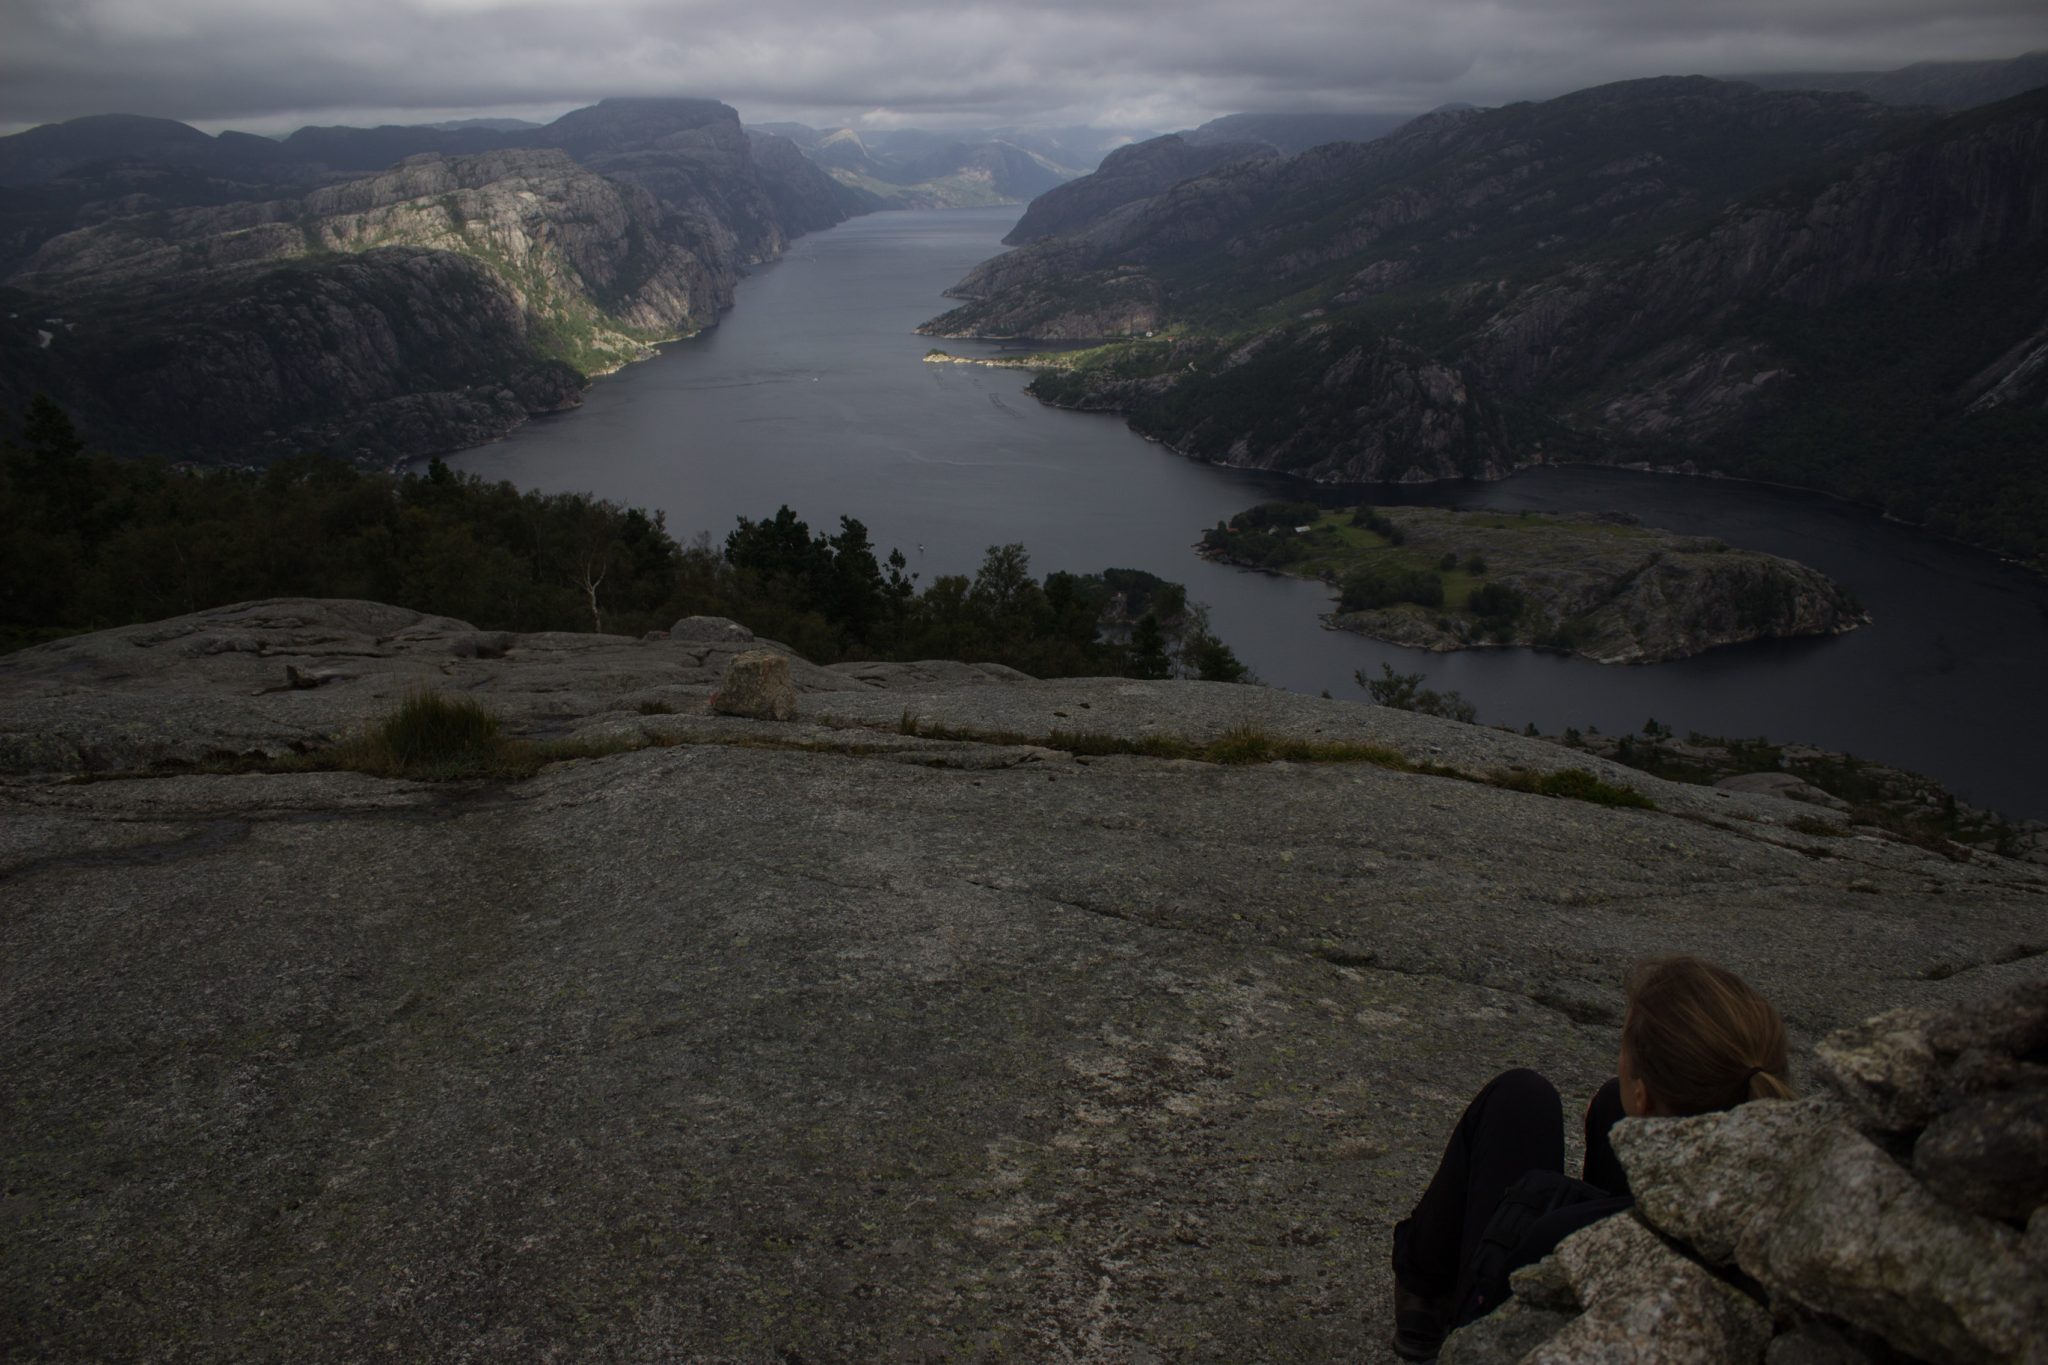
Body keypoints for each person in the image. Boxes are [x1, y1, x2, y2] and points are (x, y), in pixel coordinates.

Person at [1389, 956, 1795, 1361]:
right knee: (1609, 1109)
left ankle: (1424, 1288)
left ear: (1643, 1094)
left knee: (1521, 1098)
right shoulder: (1803, 1193)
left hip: (1505, 1314)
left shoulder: (1555, 1239)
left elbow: (1491, 1333)